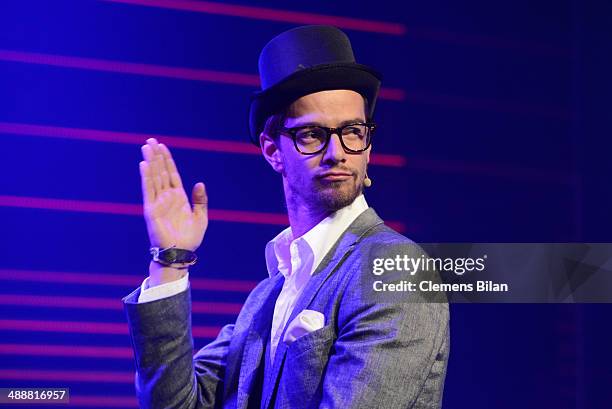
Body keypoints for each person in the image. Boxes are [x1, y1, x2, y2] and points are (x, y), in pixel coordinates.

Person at [123, 25, 449, 409]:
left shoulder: (395, 268)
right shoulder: (268, 296)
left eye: (353, 131)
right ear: (272, 150)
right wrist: (171, 260)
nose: (337, 153)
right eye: (312, 134)